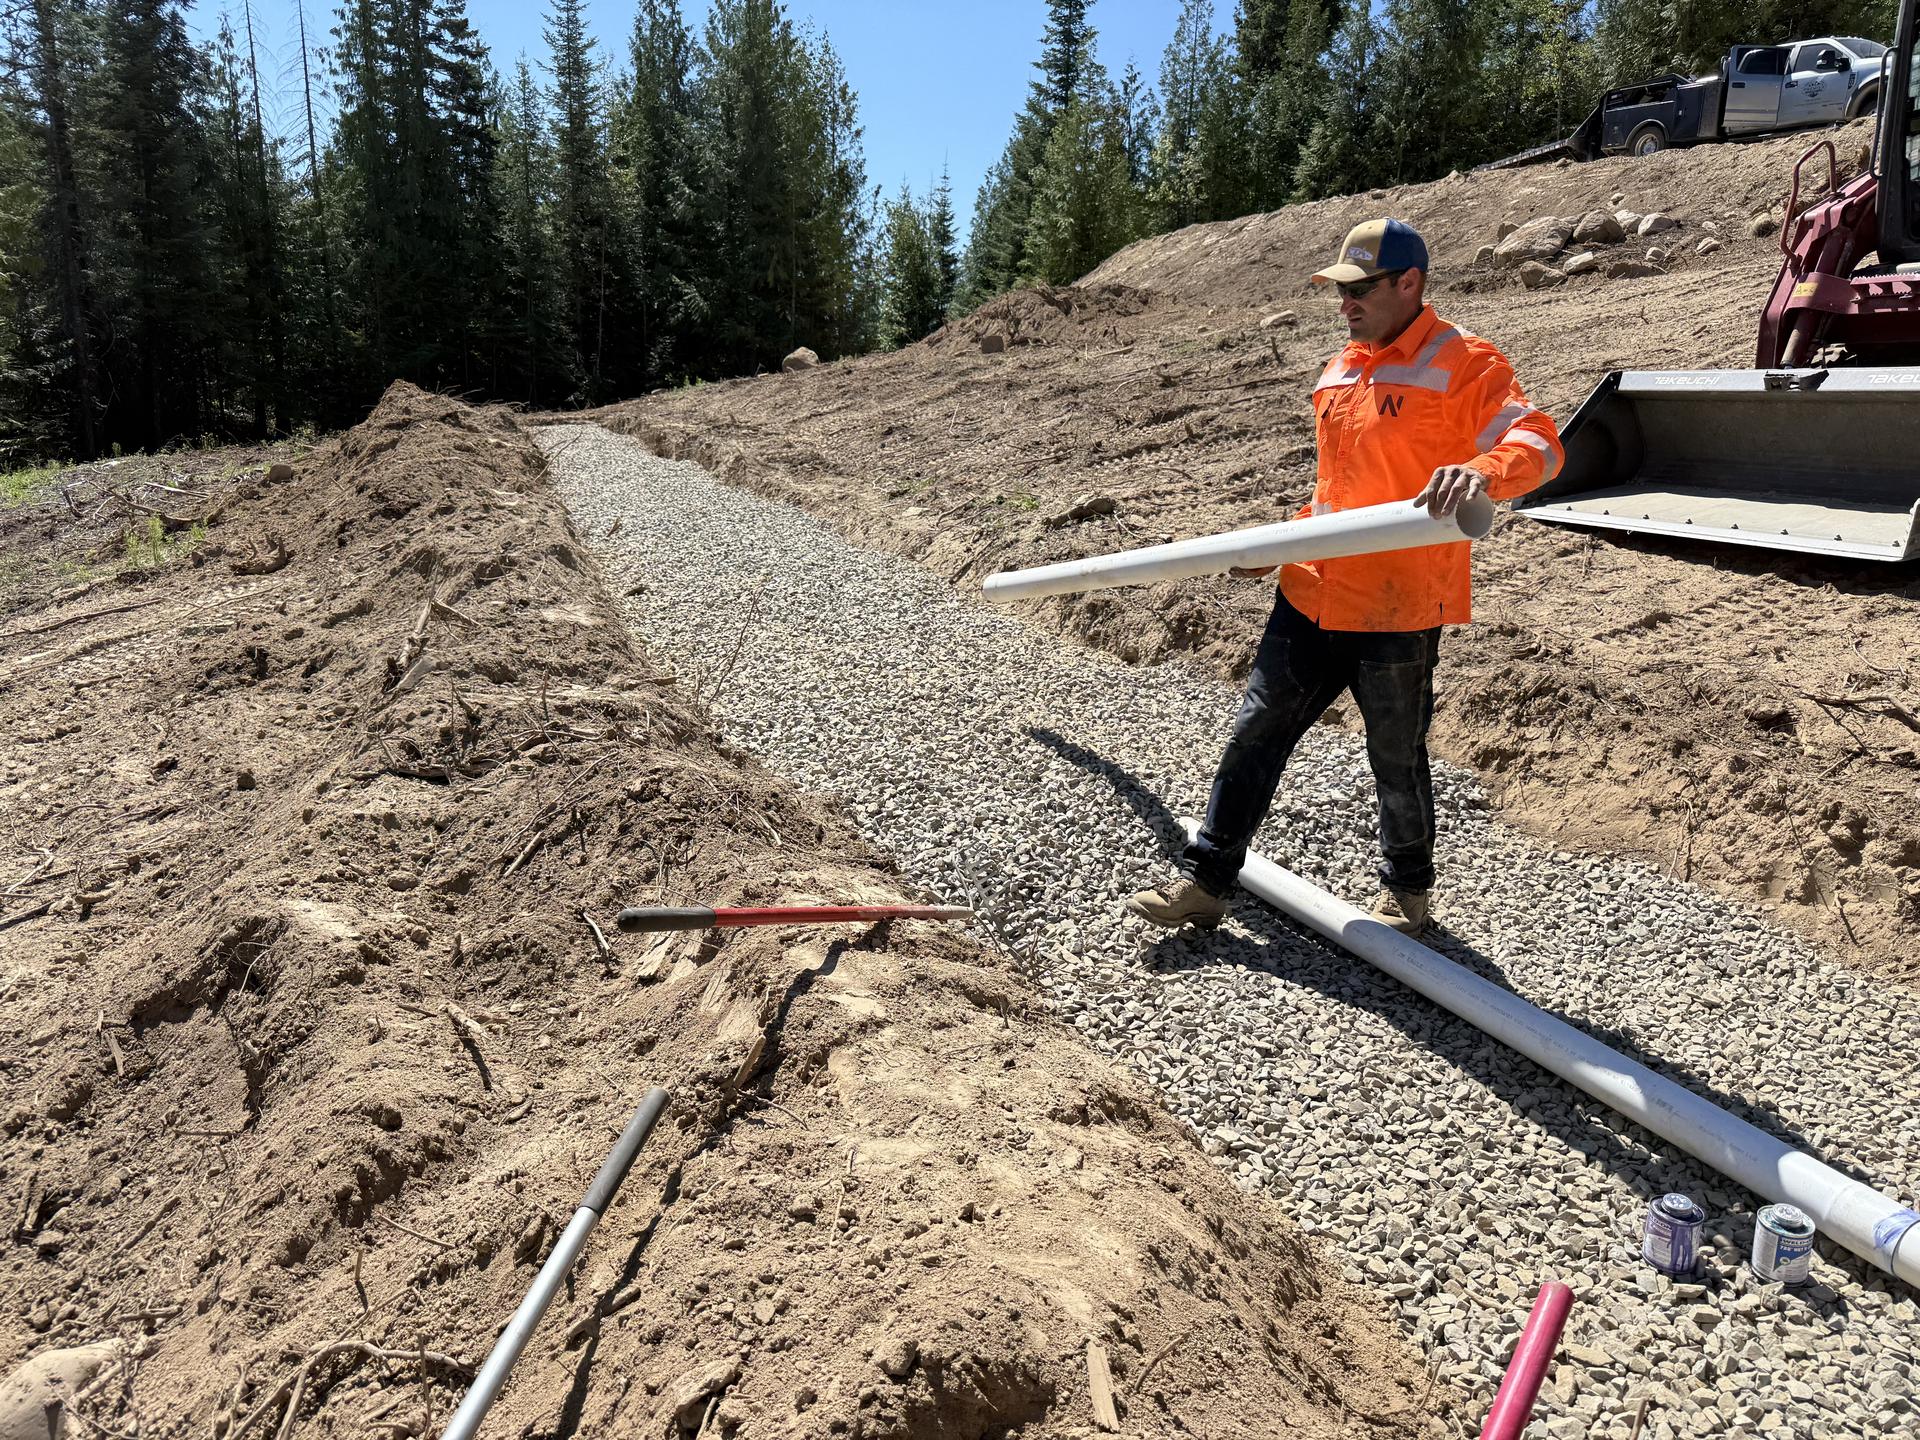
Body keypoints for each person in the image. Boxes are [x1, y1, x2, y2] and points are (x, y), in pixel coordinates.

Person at [1127, 218, 1563, 937]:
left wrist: (1482, 470)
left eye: (1360, 289)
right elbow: (1340, 493)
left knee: (1395, 757)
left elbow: (1540, 443)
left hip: (1397, 606)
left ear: (1410, 284)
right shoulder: (1340, 368)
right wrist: (1281, 537)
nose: (1345, 304)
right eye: (1340, 291)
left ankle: (1410, 899)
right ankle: (1205, 883)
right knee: (1254, 734)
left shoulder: (1466, 363)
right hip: (1312, 589)